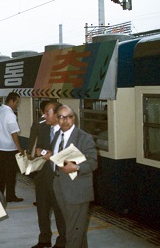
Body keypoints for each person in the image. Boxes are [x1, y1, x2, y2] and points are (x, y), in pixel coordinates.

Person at [52, 105, 98, 248]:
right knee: (75, 228)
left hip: (77, 189)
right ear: (57, 119)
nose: (64, 120)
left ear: (74, 118)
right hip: (60, 186)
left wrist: (77, 167)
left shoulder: (84, 137)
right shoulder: (57, 135)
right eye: (60, 117)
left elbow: (93, 162)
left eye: (68, 117)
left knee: (72, 231)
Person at [31, 101, 66, 248]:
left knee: (60, 213)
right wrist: (41, 152)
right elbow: (37, 150)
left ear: (57, 114)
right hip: (43, 177)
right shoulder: (43, 128)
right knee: (42, 211)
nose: (44, 115)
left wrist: (52, 155)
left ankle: (63, 241)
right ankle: (44, 239)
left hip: (59, 179)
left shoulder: (66, 132)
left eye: (47, 112)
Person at [0, 92, 24, 202]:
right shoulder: (10, 115)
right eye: (17, 102)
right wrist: (20, 148)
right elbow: (14, 134)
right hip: (8, 149)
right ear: (11, 101)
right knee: (10, 174)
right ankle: (10, 196)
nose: (17, 105)